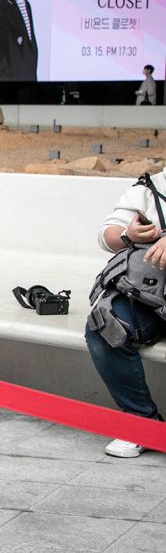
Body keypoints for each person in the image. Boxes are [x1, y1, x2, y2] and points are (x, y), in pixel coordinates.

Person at [86, 171, 166, 458]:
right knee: (105, 326)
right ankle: (142, 422)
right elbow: (106, 235)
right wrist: (127, 235)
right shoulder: (150, 188)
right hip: (150, 295)